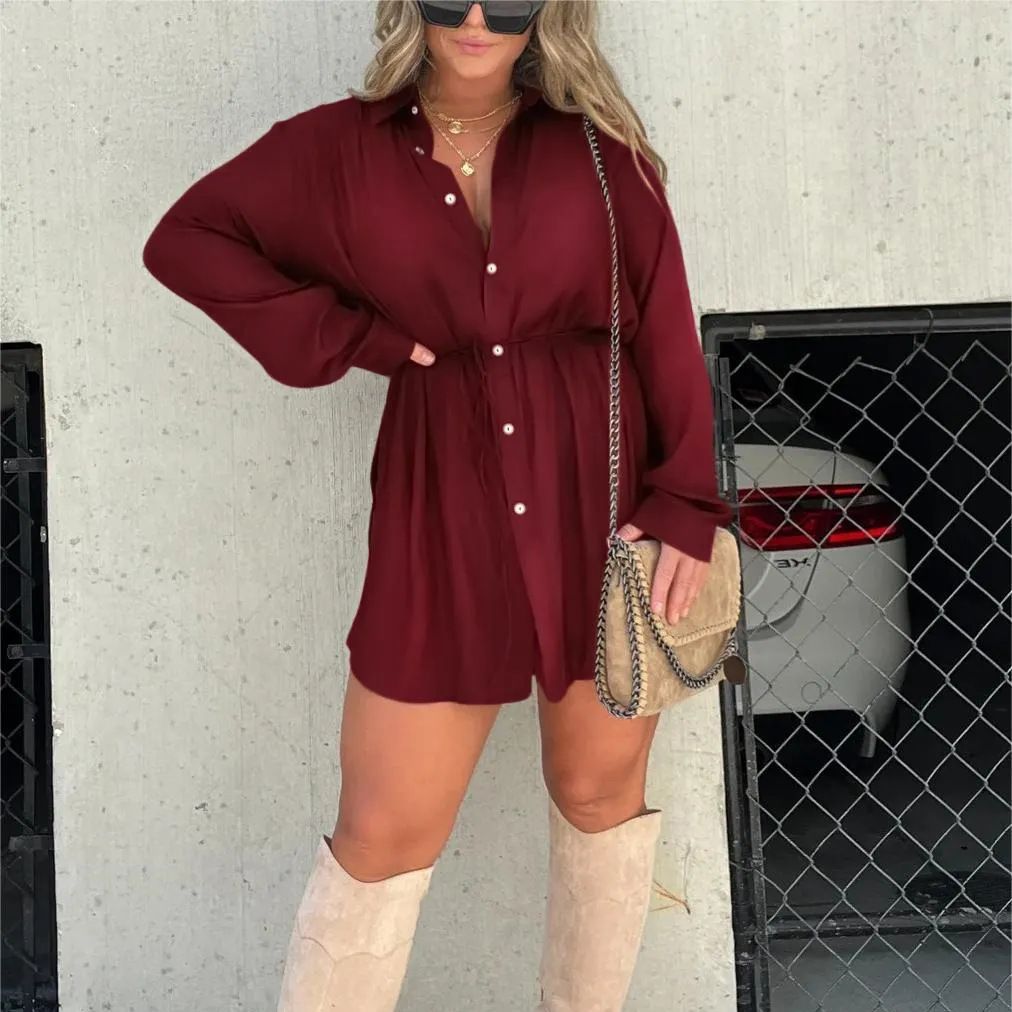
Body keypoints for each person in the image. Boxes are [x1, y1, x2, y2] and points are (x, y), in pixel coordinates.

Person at [141, 1, 734, 1008]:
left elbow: (663, 324)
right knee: (381, 832)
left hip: (600, 503)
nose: (476, 18)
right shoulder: (338, 151)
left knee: (597, 796)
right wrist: (354, 338)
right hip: (441, 504)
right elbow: (186, 241)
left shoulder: (599, 150)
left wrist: (686, 498)